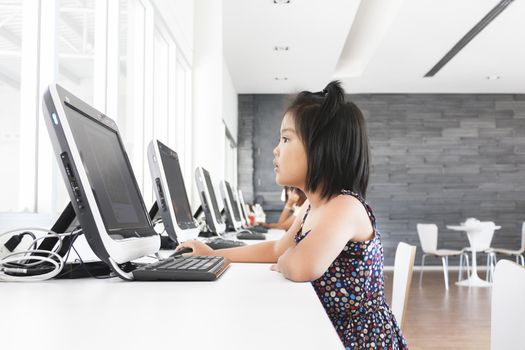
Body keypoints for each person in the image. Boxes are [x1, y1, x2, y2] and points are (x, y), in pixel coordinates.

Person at [176, 81, 408, 349]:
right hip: (326, 330)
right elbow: (278, 249)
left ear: (322, 149)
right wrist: (212, 254)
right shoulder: (310, 207)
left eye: (286, 139)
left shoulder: (344, 206)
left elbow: (300, 266)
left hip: (356, 341)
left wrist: (290, 258)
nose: (276, 149)